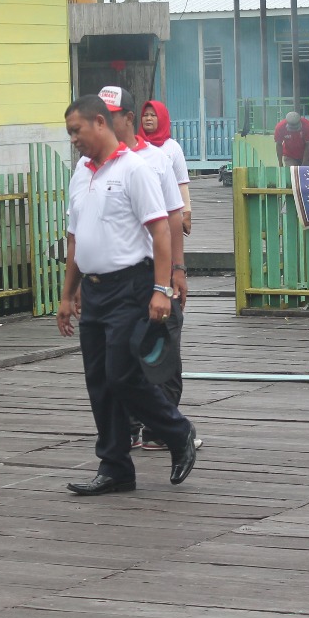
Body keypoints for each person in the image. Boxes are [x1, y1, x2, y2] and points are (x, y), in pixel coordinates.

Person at [58, 94, 198, 496]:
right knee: (99, 380)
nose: (74, 140)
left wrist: (161, 288)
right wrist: (68, 293)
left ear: (99, 123)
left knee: (123, 374)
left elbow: (160, 230)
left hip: (131, 286)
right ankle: (116, 466)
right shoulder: (81, 173)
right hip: (95, 290)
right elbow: (74, 238)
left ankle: (177, 430)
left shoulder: (135, 169)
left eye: (76, 130)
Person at [101, 85, 188, 451]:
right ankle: (130, 428)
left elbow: (171, 219)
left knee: (160, 354)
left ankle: (165, 430)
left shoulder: (157, 159)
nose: (101, 123)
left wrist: (176, 273)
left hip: (154, 273)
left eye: (108, 116)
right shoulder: (91, 164)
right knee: (121, 359)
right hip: (112, 281)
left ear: (128, 118)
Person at [139, 100, 194, 235]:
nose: (148, 118)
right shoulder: (135, 146)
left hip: (167, 211)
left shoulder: (173, 147)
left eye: (153, 115)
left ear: (162, 118)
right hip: (140, 212)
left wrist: (186, 213)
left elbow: (182, 183)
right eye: (145, 115)